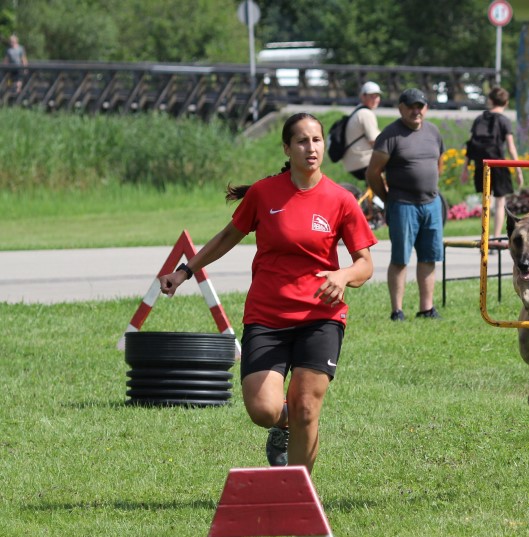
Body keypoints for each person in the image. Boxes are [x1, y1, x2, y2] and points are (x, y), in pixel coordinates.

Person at [159, 112, 377, 472]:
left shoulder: (340, 199)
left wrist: (343, 275)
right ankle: (284, 426)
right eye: (303, 141)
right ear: (287, 148)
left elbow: (365, 263)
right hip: (268, 317)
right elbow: (229, 235)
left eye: (317, 140)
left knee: (307, 407)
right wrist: (185, 271)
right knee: (263, 410)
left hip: (319, 317)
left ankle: (297, 491)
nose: (311, 148)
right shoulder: (264, 193)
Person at [366, 88, 445, 321]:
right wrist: (388, 197)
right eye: (410, 106)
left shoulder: (433, 131)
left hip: (431, 203)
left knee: (429, 256)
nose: (415, 111)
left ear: (426, 109)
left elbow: (438, 163)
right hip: (403, 204)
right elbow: (373, 173)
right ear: (401, 108)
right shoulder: (390, 135)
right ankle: (397, 310)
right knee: (400, 258)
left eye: (420, 106)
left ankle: (426, 308)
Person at [461, 86, 524, 238]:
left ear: (490, 101)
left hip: (481, 164)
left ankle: (485, 237)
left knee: (486, 203)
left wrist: (465, 169)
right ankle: (495, 238)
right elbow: (511, 147)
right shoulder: (504, 121)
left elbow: (470, 145)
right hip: (499, 165)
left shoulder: (479, 119)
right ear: (506, 102)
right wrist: (518, 170)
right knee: (500, 203)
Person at [342, 81, 383, 182]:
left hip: (352, 162)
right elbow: (375, 141)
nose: (375, 99)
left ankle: (372, 196)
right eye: (371, 96)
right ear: (363, 97)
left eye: (377, 96)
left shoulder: (358, 110)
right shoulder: (366, 113)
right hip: (363, 161)